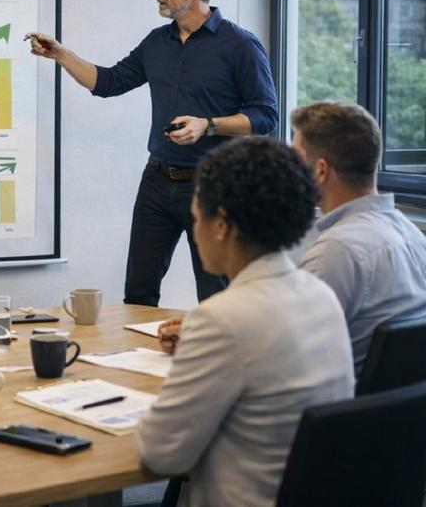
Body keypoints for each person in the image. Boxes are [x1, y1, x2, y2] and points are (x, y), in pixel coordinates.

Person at [28, 0, 278, 306]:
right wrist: (61, 55)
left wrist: (207, 125)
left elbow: (266, 116)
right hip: (157, 183)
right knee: (138, 292)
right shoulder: (157, 42)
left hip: (214, 186)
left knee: (215, 295)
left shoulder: (240, 45)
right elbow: (109, 82)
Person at [136, 138, 353, 507]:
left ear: (221, 224)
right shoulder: (321, 296)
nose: (195, 229)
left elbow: (159, 454)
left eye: (197, 216)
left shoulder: (222, 319)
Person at [291, 101, 426, 377]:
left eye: (296, 159)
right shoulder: (412, 235)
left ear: (320, 170)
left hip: (336, 400)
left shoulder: (337, 251)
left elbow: (285, 354)